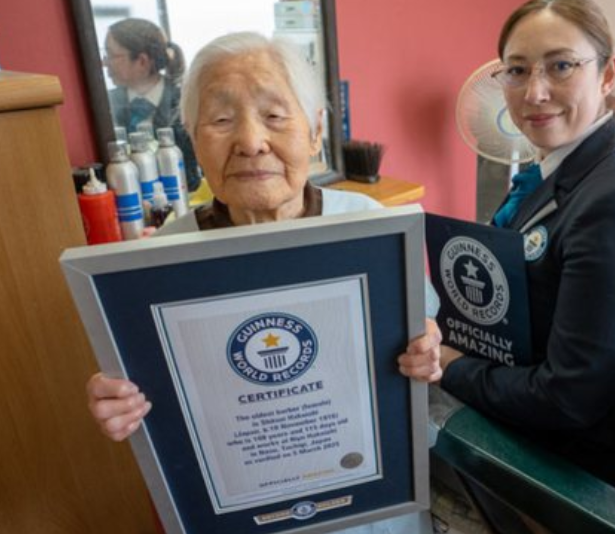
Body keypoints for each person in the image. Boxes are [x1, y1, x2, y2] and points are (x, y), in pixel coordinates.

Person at [88, 31, 442, 534]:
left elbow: (422, 326)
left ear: (316, 131)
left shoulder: (369, 226)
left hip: (375, 508)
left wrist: (426, 345)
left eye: (275, 116)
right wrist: (121, 399)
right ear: (192, 137)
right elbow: (149, 384)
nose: (252, 141)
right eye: (221, 120)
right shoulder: (161, 259)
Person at [402, 0, 615, 505]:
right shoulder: (551, 170)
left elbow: (570, 399)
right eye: (517, 70)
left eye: (561, 66)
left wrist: (451, 362)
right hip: (521, 386)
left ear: (608, 74)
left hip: (585, 462)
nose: (535, 92)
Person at [103, 18, 201, 191]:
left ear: (142, 61)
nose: (105, 63)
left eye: (111, 55)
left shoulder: (185, 101)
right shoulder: (105, 104)